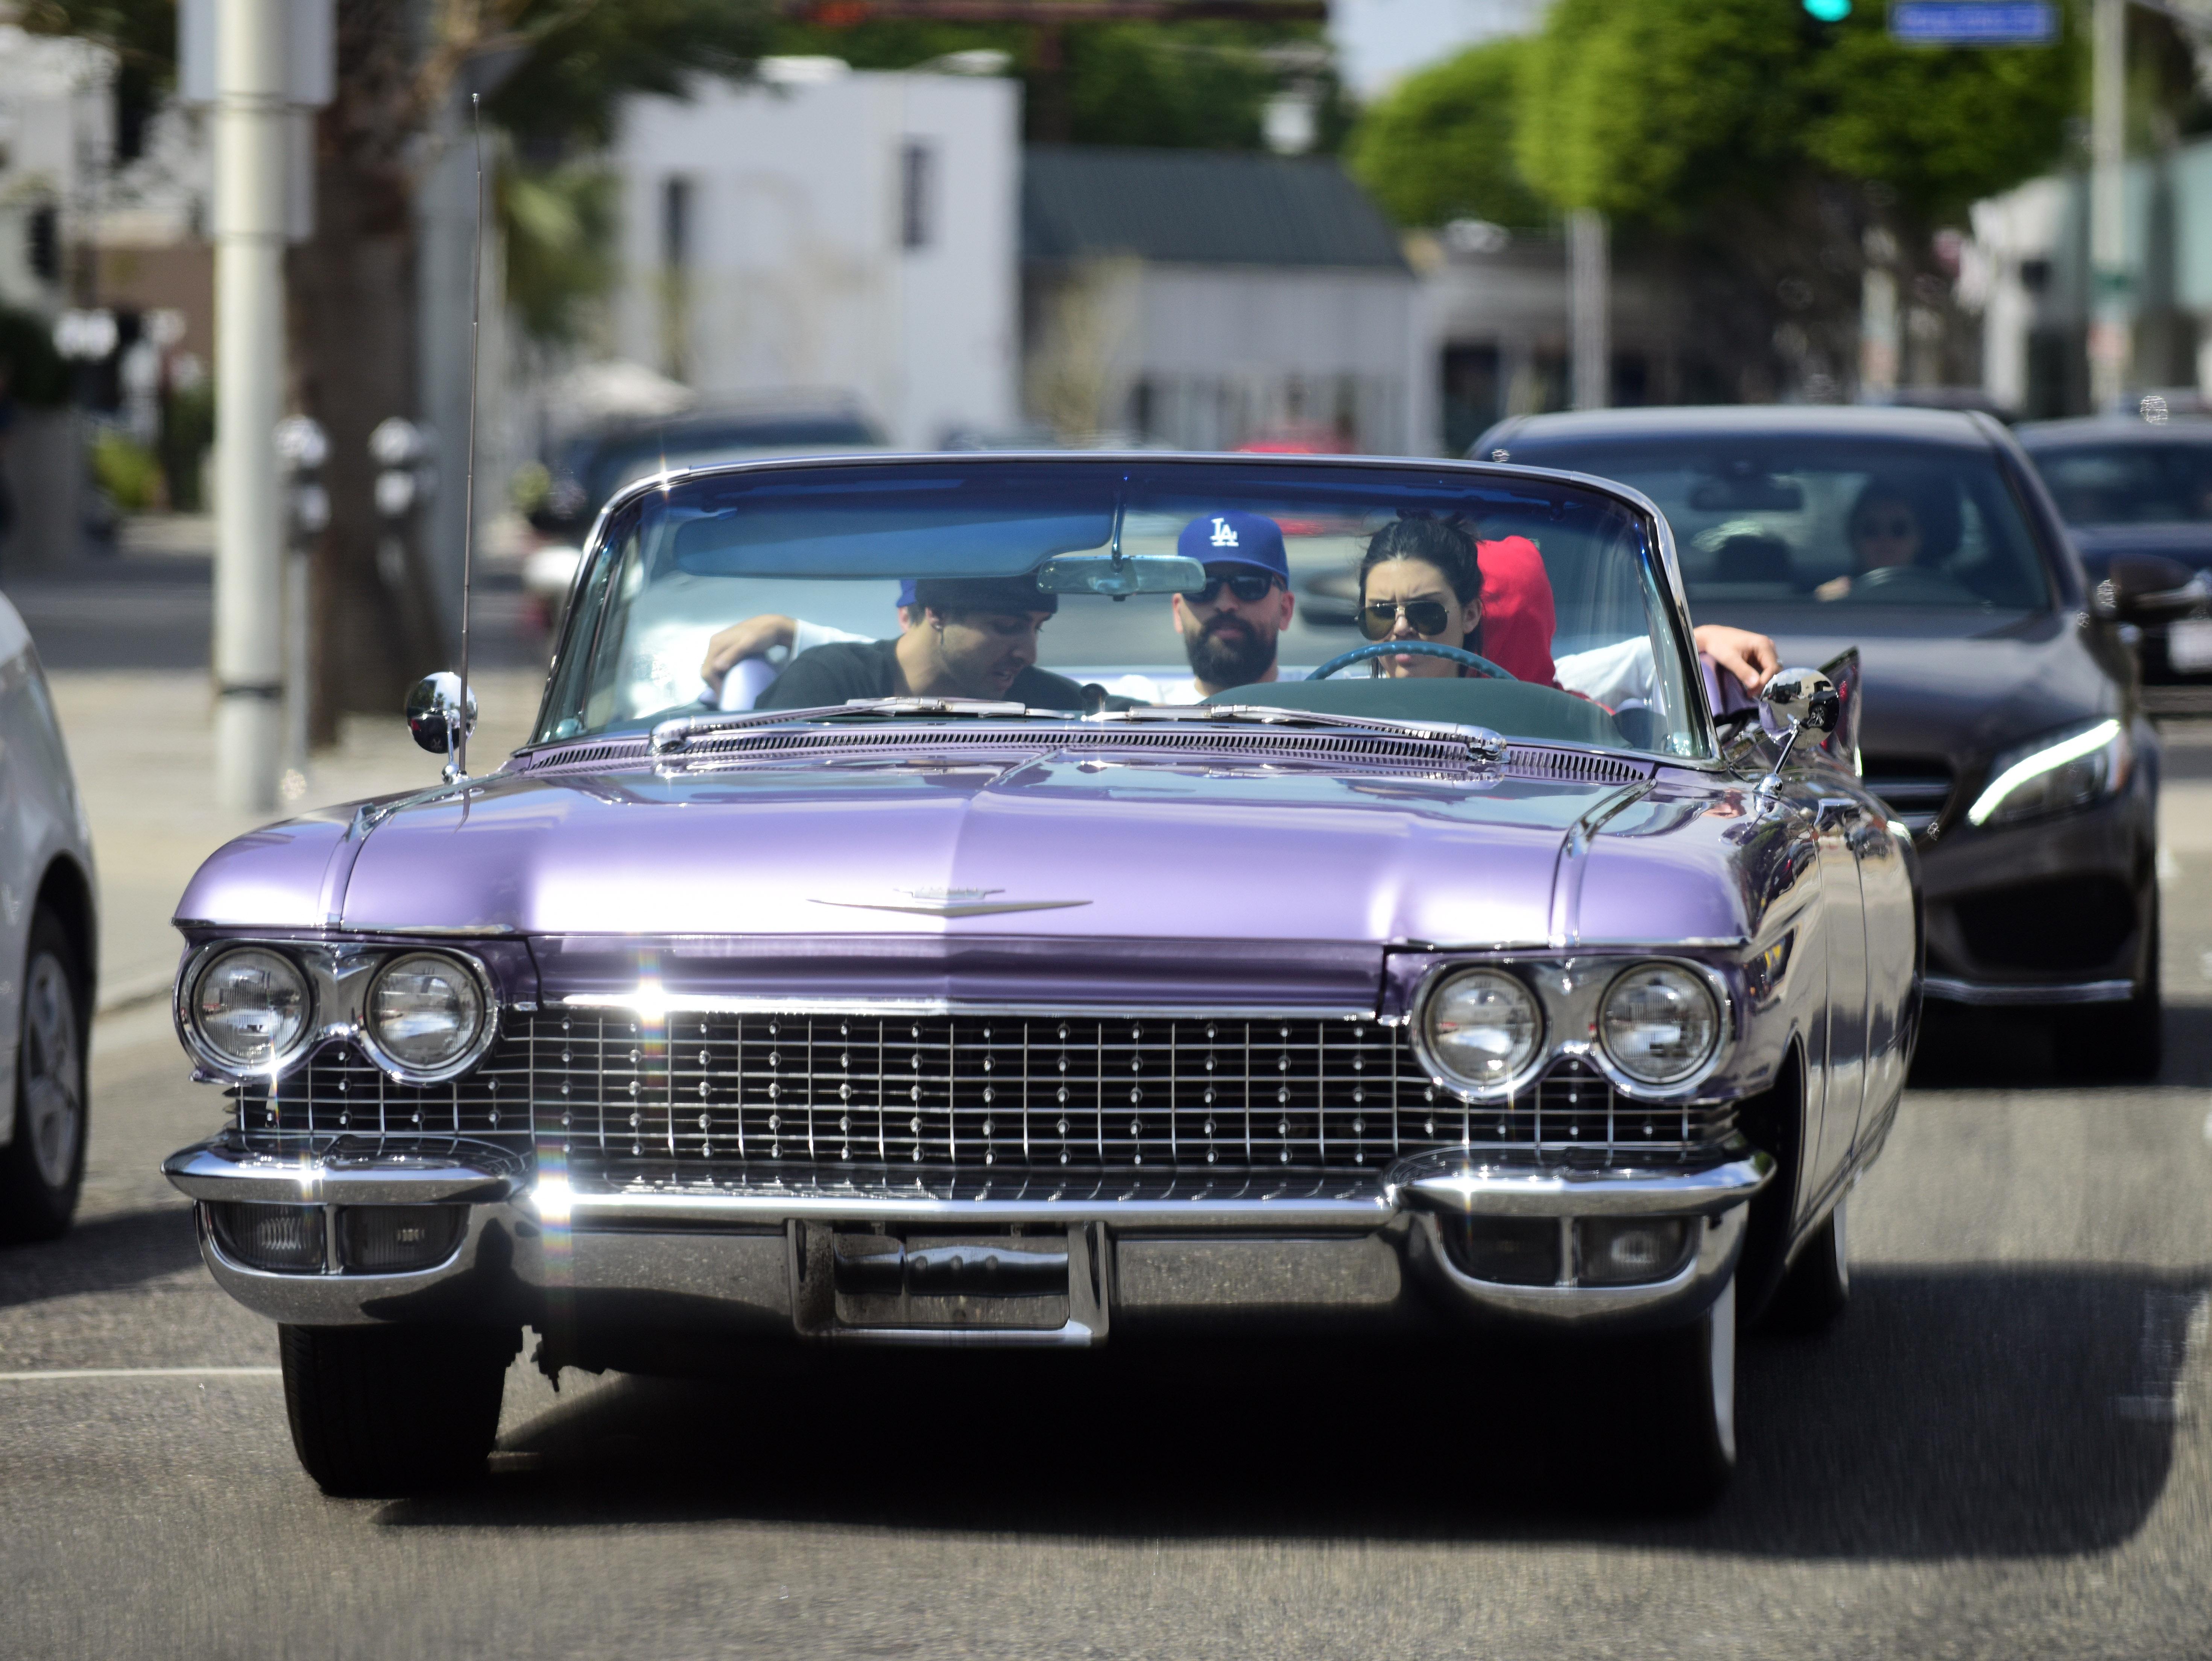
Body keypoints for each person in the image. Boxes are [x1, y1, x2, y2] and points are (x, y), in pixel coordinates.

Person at [752, 575, 1086, 711]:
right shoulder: (830, 682)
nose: (1028, 654)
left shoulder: (1048, 704)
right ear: (937, 613)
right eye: (1007, 627)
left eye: (1038, 629)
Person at [1814, 477, 1942, 602]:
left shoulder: (1948, 601)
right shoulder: (1835, 599)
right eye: (1871, 530)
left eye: (1899, 530)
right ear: (1853, 537)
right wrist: (1822, 607)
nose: (1885, 539)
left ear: (1920, 538)